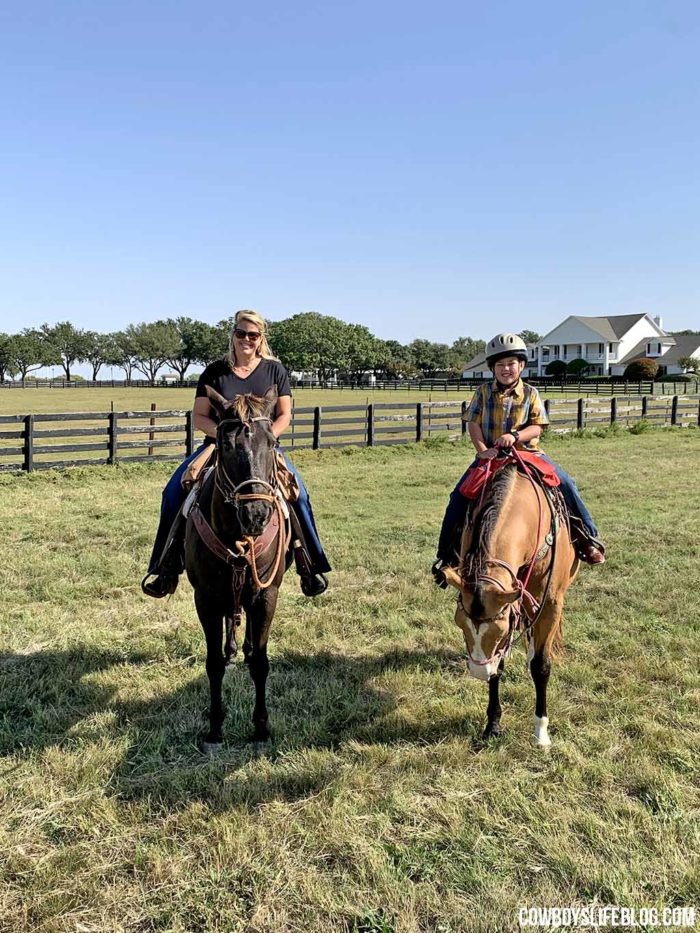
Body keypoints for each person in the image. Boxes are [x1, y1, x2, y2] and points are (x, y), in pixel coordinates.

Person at [141, 309, 331, 599]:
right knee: (172, 492)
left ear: (260, 338)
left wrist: (264, 439)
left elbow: (284, 414)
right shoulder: (215, 371)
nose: (246, 339)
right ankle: (164, 567)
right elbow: (200, 416)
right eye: (241, 333)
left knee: (299, 495)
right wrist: (225, 438)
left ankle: (310, 564)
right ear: (233, 335)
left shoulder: (274, 370)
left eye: (252, 335)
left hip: (264, 448)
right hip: (218, 446)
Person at [432, 332, 605, 586]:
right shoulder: (482, 392)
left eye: (511, 364)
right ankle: (447, 556)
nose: (506, 369)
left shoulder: (531, 393)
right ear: (492, 368)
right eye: (500, 365)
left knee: (566, 484)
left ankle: (587, 538)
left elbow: (538, 426)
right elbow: (474, 424)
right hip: (492, 455)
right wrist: (482, 450)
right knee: (458, 496)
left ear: (521, 365)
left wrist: (514, 436)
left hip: (527, 454)